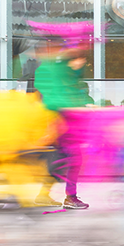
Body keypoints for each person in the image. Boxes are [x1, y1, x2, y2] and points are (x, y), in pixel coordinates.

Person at [33, 38, 93, 210]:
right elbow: (54, 100)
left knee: (60, 162)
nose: (82, 62)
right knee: (74, 161)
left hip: (65, 125)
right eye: (80, 59)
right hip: (63, 124)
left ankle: (44, 195)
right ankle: (70, 197)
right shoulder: (56, 72)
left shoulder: (71, 77)